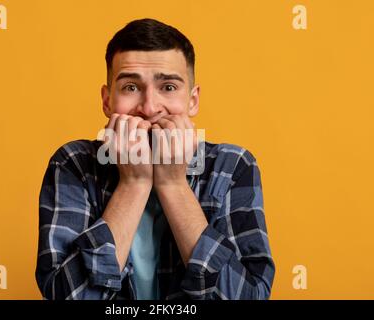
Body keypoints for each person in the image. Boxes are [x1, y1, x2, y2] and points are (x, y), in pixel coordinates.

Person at [35, 18, 275, 300]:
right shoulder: (74, 163)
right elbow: (68, 297)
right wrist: (133, 183)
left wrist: (173, 184)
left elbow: (248, 296)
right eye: (130, 88)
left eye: (169, 87)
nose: (149, 108)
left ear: (193, 100)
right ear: (107, 100)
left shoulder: (233, 165)